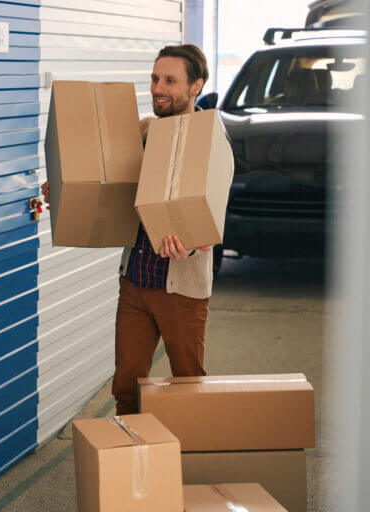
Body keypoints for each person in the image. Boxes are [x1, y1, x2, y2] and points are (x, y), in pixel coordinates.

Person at [41, 44, 229, 415]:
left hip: (181, 290)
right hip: (136, 281)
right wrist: (67, 190)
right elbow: (109, 183)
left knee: (188, 385)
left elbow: (213, 217)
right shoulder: (143, 132)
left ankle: (186, 464)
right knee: (126, 387)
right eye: (155, 78)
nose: (158, 87)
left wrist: (191, 243)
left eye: (170, 80)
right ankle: (132, 465)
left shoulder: (211, 142)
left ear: (196, 87)